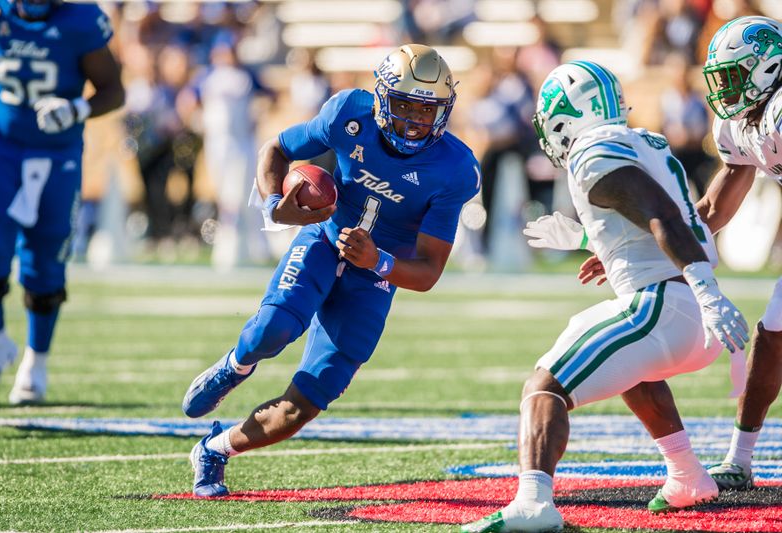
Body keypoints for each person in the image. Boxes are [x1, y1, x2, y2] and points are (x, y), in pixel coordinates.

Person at [461, 61, 749, 533]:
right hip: (684, 313)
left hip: (666, 305)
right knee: (632, 368)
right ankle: (688, 475)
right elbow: (655, 215)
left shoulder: (593, 151)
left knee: (543, 387)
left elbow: (662, 218)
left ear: (565, 116)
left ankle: (533, 504)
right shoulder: (643, 140)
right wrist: (596, 241)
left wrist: (708, 290)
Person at [181, 44, 480, 497]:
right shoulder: (348, 113)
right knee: (272, 329)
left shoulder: (455, 168)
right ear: (381, 98)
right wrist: (273, 208)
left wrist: (376, 260)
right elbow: (276, 148)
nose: (417, 120)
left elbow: (429, 271)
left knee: (302, 407)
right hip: (324, 239)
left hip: (378, 274)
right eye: (405, 105)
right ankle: (235, 366)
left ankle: (215, 448)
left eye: (428, 109)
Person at [0, 0, 124, 404]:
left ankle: (35, 363)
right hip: (3, 150)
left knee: (45, 259)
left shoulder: (80, 21)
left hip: (57, 156)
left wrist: (78, 108)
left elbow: (114, 91)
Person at [694, 15, 782, 490]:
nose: (724, 90)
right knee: (772, 335)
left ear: (765, 70)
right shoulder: (745, 121)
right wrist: (641, 247)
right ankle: (739, 459)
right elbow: (713, 206)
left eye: (732, 76)